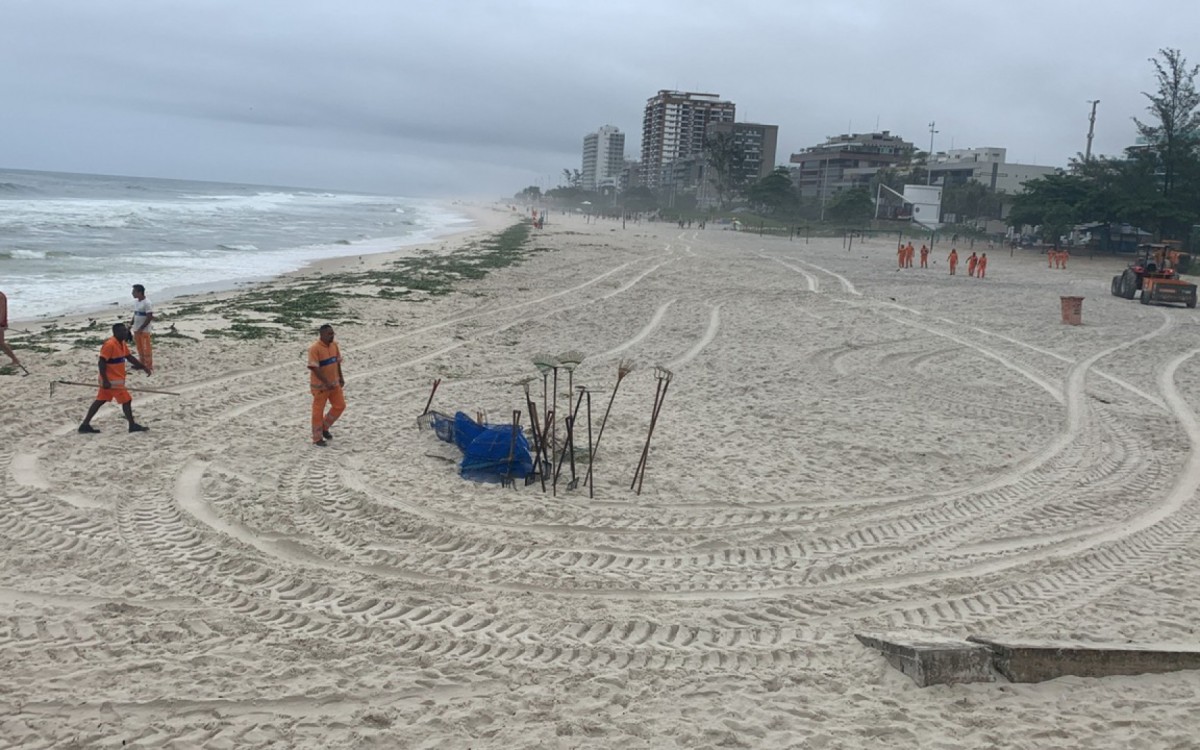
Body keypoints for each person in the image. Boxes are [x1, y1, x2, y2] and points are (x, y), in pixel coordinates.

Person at [78, 323, 148, 434]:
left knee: (100, 400)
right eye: (123, 331)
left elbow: (129, 356)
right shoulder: (110, 345)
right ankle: (132, 425)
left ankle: (85, 425)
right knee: (127, 400)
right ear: (115, 333)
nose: (125, 333)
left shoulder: (122, 343)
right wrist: (105, 380)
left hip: (114, 380)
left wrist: (143, 366)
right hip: (111, 381)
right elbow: (101, 362)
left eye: (125, 331)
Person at [308, 324, 345, 447]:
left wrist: (341, 377)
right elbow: (315, 368)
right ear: (322, 335)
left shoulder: (334, 345)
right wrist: (326, 382)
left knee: (340, 406)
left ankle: (324, 427)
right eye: (329, 334)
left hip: (334, 384)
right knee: (318, 412)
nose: (332, 336)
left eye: (332, 333)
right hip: (320, 388)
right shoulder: (314, 348)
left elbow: (337, 362)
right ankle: (317, 438)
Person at [129, 284, 154, 374]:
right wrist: (131, 324)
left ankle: (148, 365)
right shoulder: (136, 302)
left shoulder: (147, 303)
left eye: (134, 291)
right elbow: (135, 314)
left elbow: (149, 316)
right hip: (136, 328)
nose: (132, 293)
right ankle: (141, 363)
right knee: (139, 348)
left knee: (146, 348)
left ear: (139, 292)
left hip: (144, 330)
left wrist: (141, 328)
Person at [0, 290, 25, 373]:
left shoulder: (0, 296)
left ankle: (15, 360)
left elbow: (2, 311)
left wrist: (1, 324)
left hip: (0, 323)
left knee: (1, 343)